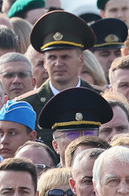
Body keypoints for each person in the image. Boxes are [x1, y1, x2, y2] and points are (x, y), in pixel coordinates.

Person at [17, 10, 95, 147]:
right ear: (45, 63)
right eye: (52, 57)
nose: (58, 63)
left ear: (81, 60)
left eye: (65, 57)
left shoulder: (100, 99)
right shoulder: (26, 105)